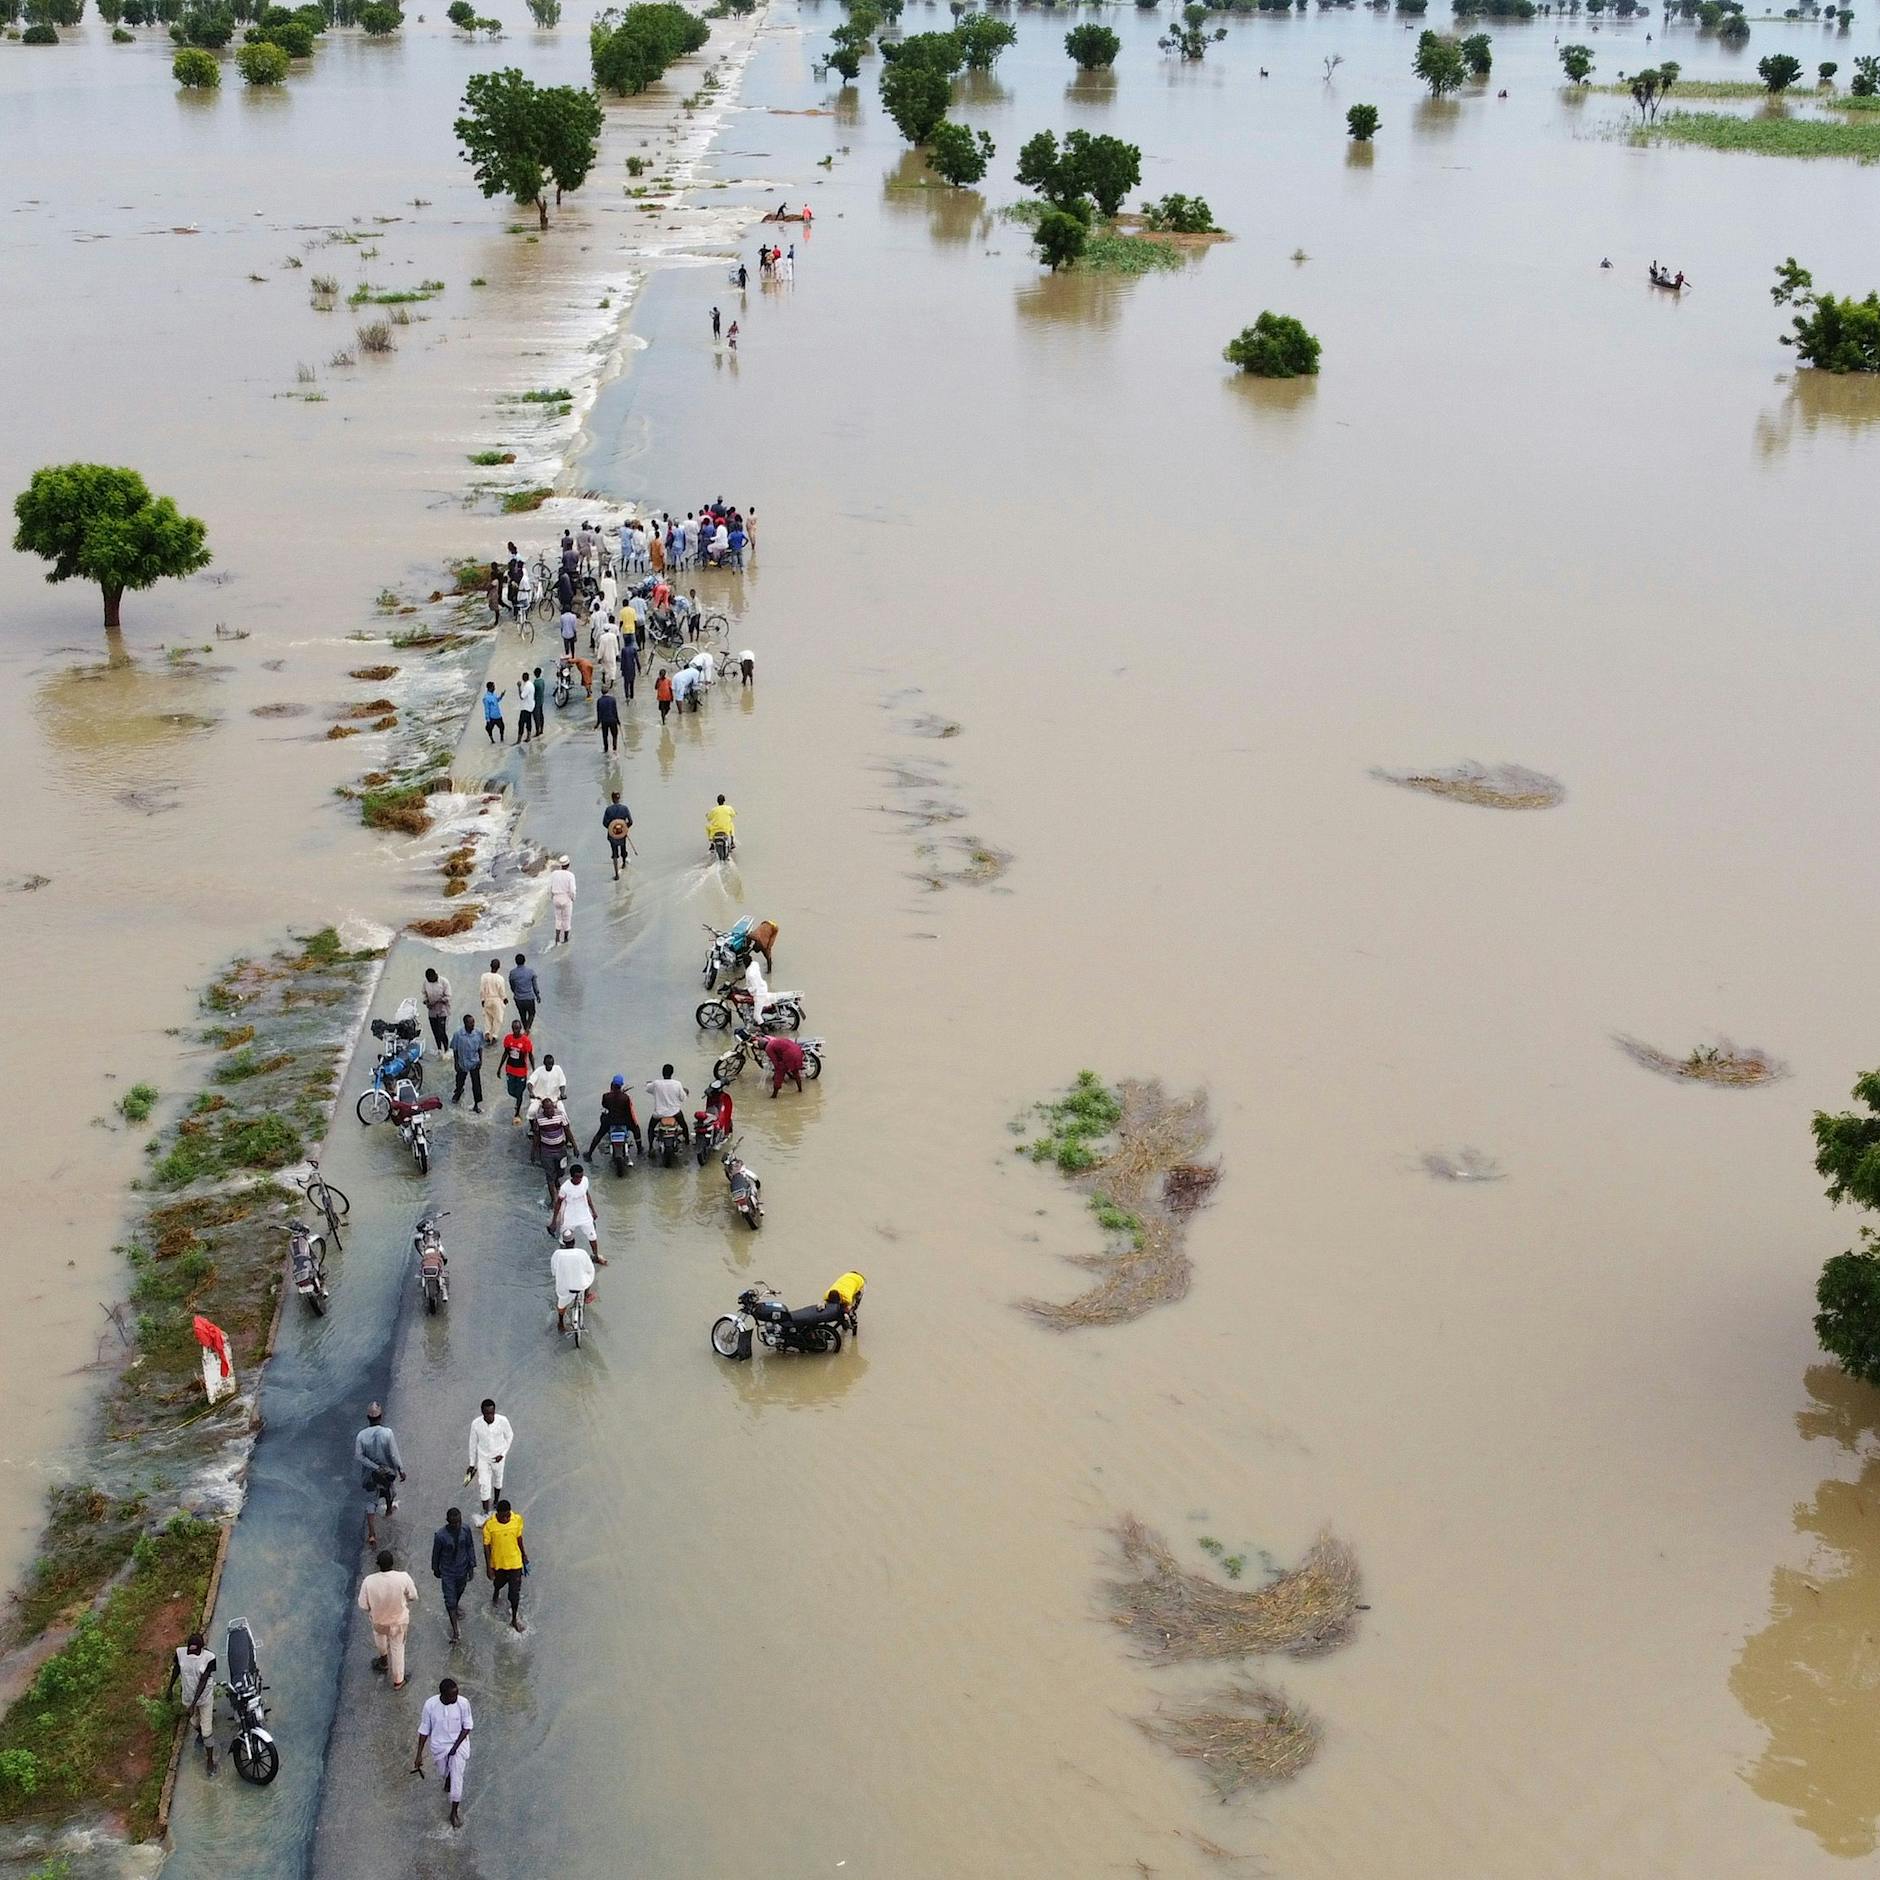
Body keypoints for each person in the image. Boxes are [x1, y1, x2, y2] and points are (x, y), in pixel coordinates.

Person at [412, 1677, 473, 1829]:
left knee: (457, 1778)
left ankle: (453, 1812)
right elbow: (424, 1730)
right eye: (452, 1696)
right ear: (443, 1695)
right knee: (443, 1772)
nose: (455, 1698)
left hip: (458, 1744)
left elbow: (467, 1727)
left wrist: (454, 1748)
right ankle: (448, 1776)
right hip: (439, 1746)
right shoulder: (430, 1705)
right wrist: (418, 1754)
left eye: (456, 1694)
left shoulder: (463, 1703)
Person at [358, 1548, 419, 1690]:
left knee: (380, 1639)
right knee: (398, 1649)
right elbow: (414, 1596)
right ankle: (398, 1681)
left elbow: (363, 1605)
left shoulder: (369, 1581)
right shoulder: (403, 1577)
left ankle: (383, 1661)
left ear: (378, 1564)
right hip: (399, 1622)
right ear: (393, 1563)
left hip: (379, 1621)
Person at [354, 1403, 406, 1549]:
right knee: (389, 1491)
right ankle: (389, 1510)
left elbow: (358, 1456)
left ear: (368, 1418)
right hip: (387, 1472)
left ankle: (371, 1534)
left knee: (371, 1502)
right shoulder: (387, 1433)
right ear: (381, 1417)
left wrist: (373, 1466)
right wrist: (400, 1469)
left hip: (369, 1475)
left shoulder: (361, 1435)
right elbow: (394, 1454)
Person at [167, 1632, 217, 1775]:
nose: (191, 1653)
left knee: (207, 1731)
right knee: (195, 1723)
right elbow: (177, 1669)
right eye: (190, 1649)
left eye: (194, 1651)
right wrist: (170, 1687)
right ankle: (200, 1733)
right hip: (188, 1698)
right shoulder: (180, 1653)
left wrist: (194, 1704)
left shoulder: (209, 1658)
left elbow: (203, 1681)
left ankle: (210, 1761)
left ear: (201, 1648)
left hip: (204, 1698)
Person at [430, 1508, 476, 1645]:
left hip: (462, 1568)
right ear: (448, 1522)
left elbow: (470, 1547)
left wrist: (472, 1566)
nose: (456, 1525)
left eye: (458, 1522)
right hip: (448, 1572)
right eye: (453, 1522)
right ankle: (456, 1631)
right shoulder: (440, 1536)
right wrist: (435, 1569)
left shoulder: (466, 1530)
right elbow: (436, 1554)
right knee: (450, 1600)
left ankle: (456, 1605)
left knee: (459, 1591)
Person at [481, 1499, 527, 1633]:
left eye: (508, 1515)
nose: (506, 1518)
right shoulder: (490, 1525)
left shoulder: (517, 1519)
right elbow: (486, 1547)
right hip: (499, 1564)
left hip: (515, 1562)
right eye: (503, 1516)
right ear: (497, 1514)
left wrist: (524, 1555)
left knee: (514, 1593)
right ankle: (496, 1593)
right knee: (498, 1584)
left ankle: (514, 1618)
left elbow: (519, 1538)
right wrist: (489, 1567)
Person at [467, 1400, 513, 1515]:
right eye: (487, 1413)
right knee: (484, 1484)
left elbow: (509, 1437)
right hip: (483, 1459)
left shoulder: (503, 1421)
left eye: (491, 1413)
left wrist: (503, 1454)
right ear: (482, 1412)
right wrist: (472, 1464)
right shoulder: (476, 1424)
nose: (489, 1416)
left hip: (499, 1457)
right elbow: (472, 1443)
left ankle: (496, 1501)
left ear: (494, 1411)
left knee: (498, 1480)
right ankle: (486, 1511)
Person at [553, 1162, 604, 1262]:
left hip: (584, 1215)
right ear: (572, 1176)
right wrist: (554, 1221)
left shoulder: (585, 1181)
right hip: (569, 1217)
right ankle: (564, 1258)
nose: (580, 1179)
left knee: (592, 1236)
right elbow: (558, 1204)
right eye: (577, 1177)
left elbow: (587, 1195)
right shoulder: (565, 1188)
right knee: (565, 1239)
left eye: (581, 1176)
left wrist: (593, 1211)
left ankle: (595, 1256)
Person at [552, 1227, 597, 1335]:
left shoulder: (557, 1254)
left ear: (564, 1242)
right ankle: (586, 1295)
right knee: (589, 1276)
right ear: (574, 1241)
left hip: (565, 1288)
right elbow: (590, 1269)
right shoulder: (582, 1253)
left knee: (561, 1304)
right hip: (581, 1285)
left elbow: (554, 1271)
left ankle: (560, 1324)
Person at [586, 1074, 643, 1158]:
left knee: (599, 1134)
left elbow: (605, 1106)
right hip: (624, 1121)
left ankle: (589, 1153)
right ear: (621, 1085)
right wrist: (634, 1123)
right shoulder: (626, 1097)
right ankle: (639, 1149)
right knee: (636, 1130)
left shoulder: (606, 1096)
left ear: (612, 1084)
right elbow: (630, 1111)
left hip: (610, 1121)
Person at [531, 1095, 570, 1203]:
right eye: (547, 1108)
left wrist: (574, 1146)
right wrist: (533, 1152)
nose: (550, 1110)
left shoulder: (561, 1115)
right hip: (546, 1151)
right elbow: (536, 1136)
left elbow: (567, 1130)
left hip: (560, 1149)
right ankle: (554, 1200)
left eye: (551, 1108)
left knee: (561, 1172)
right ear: (543, 1109)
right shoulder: (538, 1119)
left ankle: (556, 1179)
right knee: (549, 1176)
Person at [500, 1020, 535, 1123]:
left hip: (521, 1071)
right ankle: (518, 1100)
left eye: (518, 1028)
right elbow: (505, 1053)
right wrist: (499, 1068)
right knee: (511, 1091)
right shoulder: (508, 1039)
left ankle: (517, 1111)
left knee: (519, 1093)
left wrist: (534, 1069)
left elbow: (531, 1055)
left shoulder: (525, 1041)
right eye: (514, 1028)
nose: (516, 1030)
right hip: (510, 1069)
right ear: (512, 1028)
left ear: (520, 1029)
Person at [646, 1063, 690, 1143]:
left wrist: (649, 1083)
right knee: (684, 1125)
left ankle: (650, 1147)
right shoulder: (677, 1084)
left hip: (659, 1114)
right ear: (672, 1073)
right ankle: (687, 1141)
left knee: (651, 1128)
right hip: (674, 1112)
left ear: (662, 1073)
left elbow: (648, 1089)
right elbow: (682, 1098)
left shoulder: (656, 1084)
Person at [450, 1016, 484, 1112]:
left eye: (473, 1022)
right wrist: (456, 1063)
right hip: (463, 1063)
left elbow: (480, 1047)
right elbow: (455, 1050)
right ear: (465, 1023)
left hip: (474, 1062)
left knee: (476, 1084)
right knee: (460, 1081)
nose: (473, 1024)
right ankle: (458, 1092)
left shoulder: (478, 1033)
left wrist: (481, 1060)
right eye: (470, 1023)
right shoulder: (458, 1035)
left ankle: (476, 1104)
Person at [762, 1032, 806, 1098]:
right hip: (797, 1050)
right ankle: (800, 1090)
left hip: (790, 1055)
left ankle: (774, 1095)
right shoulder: (774, 1041)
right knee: (795, 1072)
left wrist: (777, 1072)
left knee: (779, 1074)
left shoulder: (768, 1048)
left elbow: (776, 1063)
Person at [527, 1051, 568, 1117]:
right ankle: (532, 1126)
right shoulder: (539, 1070)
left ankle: (565, 1126)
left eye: (551, 1064)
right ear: (544, 1063)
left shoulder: (558, 1069)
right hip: (540, 1098)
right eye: (548, 1064)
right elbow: (530, 1082)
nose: (550, 1066)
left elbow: (562, 1082)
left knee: (563, 1112)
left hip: (554, 1099)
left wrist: (562, 1094)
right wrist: (531, 1092)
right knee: (531, 1111)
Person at [421, 968, 453, 1053]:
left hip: (443, 1010)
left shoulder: (444, 982)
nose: (429, 981)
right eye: (428, 979)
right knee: (435, 1031)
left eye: (431, 979)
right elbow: (424, 994)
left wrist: (436, 1001)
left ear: (435, 975)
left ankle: (446, 1050)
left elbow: (448, 996)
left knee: (441, 1031)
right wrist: (426, 1001)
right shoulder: (426, 983)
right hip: (432, 1011)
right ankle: (439, 1049)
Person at [698, 1076, 733, 1151]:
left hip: (712, 1109)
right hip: (715, 1110)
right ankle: (723, 1135)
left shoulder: (711, 1095)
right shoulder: (721, 1096)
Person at [602, 796, 633, 879]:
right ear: (619, 799)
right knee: (623, 849)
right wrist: (625, 829)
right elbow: (630, 821)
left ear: (612, 799)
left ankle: (616, 874)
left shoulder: (608, 809)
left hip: (613, 835)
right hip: (622, 834)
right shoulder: (624, 808)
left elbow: (604, 823)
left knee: (614, 853)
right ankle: (623, 864)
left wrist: (612, 829)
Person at [548, 855, 577, 946]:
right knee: (566, 918)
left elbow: (550, 887)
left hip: (556, 898)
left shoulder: (554, 874)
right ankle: (565, 938)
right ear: (568, 865)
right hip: (566, 898)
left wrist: (551, 897)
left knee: (558, 918)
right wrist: (573, 898)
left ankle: (557, 938)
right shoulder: (570, 875)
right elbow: (572, 890)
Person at [508, 953, 540, 1029]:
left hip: (518, 998)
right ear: (525, 961)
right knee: (532, 1013)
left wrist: (515, 992)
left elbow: (512, 986)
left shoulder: (512, 973)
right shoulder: (531, 971)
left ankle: (526, 1029)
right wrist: (537, 995)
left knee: (522, 1015)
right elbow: (535, 986)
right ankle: (527, 1029)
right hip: (529, 997)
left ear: (515, 962)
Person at [479, 958, 507, 1042]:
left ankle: (487, 1032)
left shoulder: (484, 976)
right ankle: (494, 1035)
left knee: (488, 1017)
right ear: (499, 967)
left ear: (490, 965)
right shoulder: (500, 978)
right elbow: (502, 991)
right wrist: (504, 998)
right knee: (498, 1018)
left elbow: (481, 989)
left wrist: (482, 999)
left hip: (487, 999)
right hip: (496, 999)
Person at [596, 685, 620, 754]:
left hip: (604, 721)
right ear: (608, 691)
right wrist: (618, 721)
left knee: (605, 735)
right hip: (613, 720)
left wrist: (597, 724)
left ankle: (606, 749)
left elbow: (599, 713)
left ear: (601, 692)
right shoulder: (613, 699)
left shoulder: (599, 701)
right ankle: (614, 749)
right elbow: (615, 711)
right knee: (614, 735)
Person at [515, 670, 534, 748]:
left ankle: (519, 740)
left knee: (521, 723)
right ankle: (528, 737)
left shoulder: (526, 686)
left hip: (525, 707)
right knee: (528, 722)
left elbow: (521, 697)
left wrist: (519, 687)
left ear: (523, 678)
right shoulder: (531, 684)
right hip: (530, 706)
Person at [532, 666, 547, 738]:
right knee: (541, 715)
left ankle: (537, 731)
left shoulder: (535, 683)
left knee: (536, 717)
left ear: (535, 674)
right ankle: (542, 729)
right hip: (541, 700)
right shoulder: (542, 681)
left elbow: (532, 693)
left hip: (536, 702)